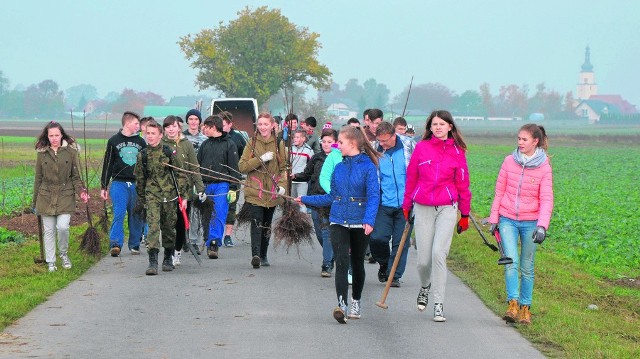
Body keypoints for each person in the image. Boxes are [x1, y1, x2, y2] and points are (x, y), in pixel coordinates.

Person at [298, 126, 380, 324]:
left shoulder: (368, 167)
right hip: (338, 220)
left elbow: (374, 196)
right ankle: (341, 305)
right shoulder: (339, 167)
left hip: (360, 222)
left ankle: (356, 301)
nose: (337, 146)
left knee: (357, 263)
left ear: (352, 144)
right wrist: (305, 199)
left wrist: (369, 220)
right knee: (341, 262)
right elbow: (331, 197)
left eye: (340, 142)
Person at [402, 110, 472, 322]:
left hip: (447, 207)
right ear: (430, 128)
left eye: (442, 124)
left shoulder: (458, 152)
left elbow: (463, 184)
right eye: (435, 124)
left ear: (450, 126)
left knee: (438, 254)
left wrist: (465, 214)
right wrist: (407, 205)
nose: (438, 127)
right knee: (423, 261)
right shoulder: (422, 148)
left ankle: (439, 304)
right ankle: (425, 286)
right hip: (422, 206)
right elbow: (412, 176)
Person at [489, 124, 554, 325]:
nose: (520, 143)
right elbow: (499, 191)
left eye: (524, 139)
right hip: (507, 218)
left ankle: (526, 308)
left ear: (535, 141)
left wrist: (542, 226)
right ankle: (512, 305)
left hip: (531, 222)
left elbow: (546, 199)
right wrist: (494, 219)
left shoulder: (544, 167)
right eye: (518, 139)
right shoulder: (509, 161)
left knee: (527, 267)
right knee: (511, 262)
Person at [134, 120, 190, 275]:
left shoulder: (168, 152)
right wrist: (142, 199)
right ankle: (152, 261)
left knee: (169, 228)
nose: (150, 137)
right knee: (152, 227)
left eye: (153, 134)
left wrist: (184, 196)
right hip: (152, 196)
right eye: (148, 134)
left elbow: (180, 174)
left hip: (170, 196)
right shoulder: (142, 155)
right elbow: (139, 179)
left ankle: (167, 258)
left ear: (160, 135)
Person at [33, 121, 89, 272]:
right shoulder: (42, 153)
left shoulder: (71, 152)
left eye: (57, 135)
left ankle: (63, 254)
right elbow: (38, 178)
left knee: (63, 227)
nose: (54, 138)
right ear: (47, 136)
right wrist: (35, 203)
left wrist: (82, 191)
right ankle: (51, 261)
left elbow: (75, 176)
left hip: (65, 194)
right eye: (51, 135)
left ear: (62, 135)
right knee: (49, 230)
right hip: (45, 196)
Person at [238, 113, 287, 268]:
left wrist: (283, 185)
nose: (263, 127)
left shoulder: (279, 143)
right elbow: (242, 166)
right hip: (255, 190)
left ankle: (264, 254)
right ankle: (256, 255)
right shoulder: (251, 143)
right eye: (260, 124)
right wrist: (260, 159)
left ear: (272, 125)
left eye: (266, 124)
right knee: (256, 223)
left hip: (272, 191)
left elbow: (284, 168)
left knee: (266, 224)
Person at [370, 121, 416, 287]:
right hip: (384, 202)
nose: (382, 144)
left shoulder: (409, 145)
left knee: (400, 242)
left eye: (385, 141)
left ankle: (393, 276)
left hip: (406, 204)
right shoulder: (374, 149)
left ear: (393, 135)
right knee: (377, 238)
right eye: (380, 141)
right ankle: (383, 263)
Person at [293, 128, 338, 277]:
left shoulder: (339, 159)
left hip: (331, 201)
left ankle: (326, 265)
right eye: (324, 141)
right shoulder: (316, 158)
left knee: (327, 233)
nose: (326, 144)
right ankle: (330, 256)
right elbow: (306, 175)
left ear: (336, 143)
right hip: (314, 199)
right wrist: (293, 176)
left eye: (329, 142)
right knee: (319, 233)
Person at [100, 111, 146, 257]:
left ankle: (134, 244)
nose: (139, 126)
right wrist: (104, 185)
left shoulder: (141, 142)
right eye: (136, 123)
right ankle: (115, 243)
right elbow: (108, 163)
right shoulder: (113, 141)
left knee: (136, 215)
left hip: (136, 184)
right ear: (127, 123)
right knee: (119, 213)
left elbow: (145, 165)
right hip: (119, 183)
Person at [162, 116, 204, 266]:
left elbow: (194, 167)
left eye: (174, 126)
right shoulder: (160, 144)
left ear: (179, 127)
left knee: (180, 223)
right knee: (167, 224)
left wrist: (200, 188)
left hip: (183, 191)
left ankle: (177, 252)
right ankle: (169, 253)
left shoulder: (186, 145)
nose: (171, 129)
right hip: (165, 191)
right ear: (164, 129)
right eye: (168, 127)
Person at [198, 115, 240, 258]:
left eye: (206, 127)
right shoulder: (205, 145)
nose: (204, 129)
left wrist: (233, 187)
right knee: (207, 215)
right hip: (206, 183)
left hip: (222, 184)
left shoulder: (230, 144)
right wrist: (197, 185)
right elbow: (197, 166)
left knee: (219, 213)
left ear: (213, 127)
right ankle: (208, 239)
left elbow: (235, 168)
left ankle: (214, 244)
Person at [221, 111, 247, 247]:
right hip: (217, 177)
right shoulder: (216, 137)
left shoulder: (237, 138)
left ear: (230, 124)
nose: (221, 127)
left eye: (223, 125)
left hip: (233, 177)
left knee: (231, 206)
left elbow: (245, 156)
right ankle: (216, 234)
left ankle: (228, 235)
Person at [289, 129, 314, 207]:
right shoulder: (290, 148)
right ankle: (293, 218)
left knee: (301, 203)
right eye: (294, 137)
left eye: (297, 137)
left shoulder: (308, 150)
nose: (295, 139)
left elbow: (311, 166)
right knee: (292, 202)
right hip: (290, 180)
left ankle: (303, 218)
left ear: (303, 138)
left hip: (302, 181)